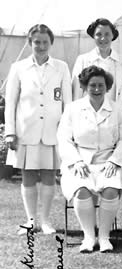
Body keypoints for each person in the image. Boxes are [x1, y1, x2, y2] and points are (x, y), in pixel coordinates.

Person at [4, 24, 72, 235]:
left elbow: (67, 102)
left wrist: (67, 131)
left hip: (53, 132)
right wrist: (10, 132)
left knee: (50, 175)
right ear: (29, 43)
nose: (41, 46)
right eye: (37, 42)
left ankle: (45, 221)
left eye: (45, 42)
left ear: (51, 43)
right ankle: (31, 220)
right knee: (29, 176)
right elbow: (11, 103)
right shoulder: (18, 68)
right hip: (26, 131)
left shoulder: (61, 67)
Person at [58, 66, 122, 252]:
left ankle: (104, 237)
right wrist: (76, 161)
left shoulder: (117, 109)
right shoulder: (72, 109)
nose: (97, 89)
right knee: (81, 189)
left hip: (109, 160)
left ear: (107, 87)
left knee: (110, 189)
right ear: (84, 86)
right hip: (80, 162)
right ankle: (89, 237)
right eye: (92, 85)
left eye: (101, 85)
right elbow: (64, 139)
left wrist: (114, 161)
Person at [71, 18, 122, 124]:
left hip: (115, 118)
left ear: (113, 36)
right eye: (99, 34)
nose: (103, 38)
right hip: (88, 118)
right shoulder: (83, 60)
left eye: (107, 34)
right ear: (93, 36)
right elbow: (77, 93)